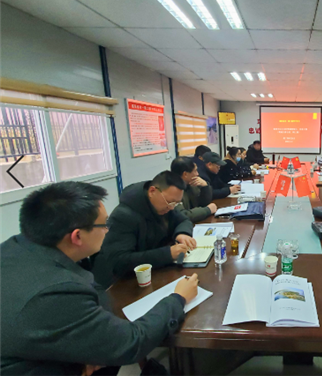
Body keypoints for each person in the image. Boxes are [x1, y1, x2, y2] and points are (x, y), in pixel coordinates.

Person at [1, 182, 199, 375]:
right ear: (77, 236)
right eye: (104, 224)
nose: (108, 230)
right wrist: (178, 299)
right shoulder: (56, 291)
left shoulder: (15, 247)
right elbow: (131, 343)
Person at [92, 171, 197, 288]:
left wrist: (182, 233)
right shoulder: (123, 216)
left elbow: (183, 220)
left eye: (176, 203)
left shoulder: (164, 206)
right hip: (123, 282)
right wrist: (167, 254)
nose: (172, 207)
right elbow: (119, 261)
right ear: (152, 191)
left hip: (155, 272)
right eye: (170, 202)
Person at [171, 156, 217, 223]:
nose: (197, 174)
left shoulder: (191, 184)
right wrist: (207, 210)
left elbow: (203, 204)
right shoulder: (172, 190)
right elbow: (183, 215)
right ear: (185, 174)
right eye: (195, 171)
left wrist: (205, 186)